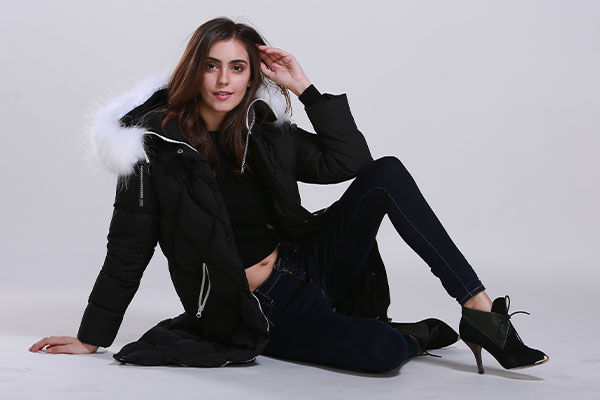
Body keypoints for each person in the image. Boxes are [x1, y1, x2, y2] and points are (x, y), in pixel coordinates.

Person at [29, 17, 548, 374]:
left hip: (307, 262)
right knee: (383, 353)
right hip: (258, 305)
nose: (224, 80)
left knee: (387, 173)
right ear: (194, 70)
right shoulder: (154, 150)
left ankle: (480, 310)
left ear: (252, 74)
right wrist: (92, 336)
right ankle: (412, 333)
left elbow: (351, 163)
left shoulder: (261, 128)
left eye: (237, 67)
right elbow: (127, 250)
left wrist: (306, 89)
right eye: (212, 65)